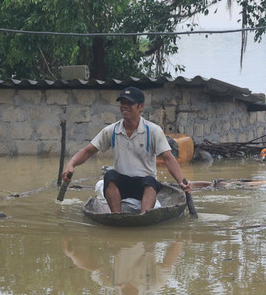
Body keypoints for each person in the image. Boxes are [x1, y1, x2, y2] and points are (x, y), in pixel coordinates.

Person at [61, 86, 192, 214]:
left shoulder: (153, 131)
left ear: (141, 106)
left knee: (151, 181)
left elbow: (168, 158)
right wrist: (71, 165)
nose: (125, 106)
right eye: (123, 103)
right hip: (121, 185)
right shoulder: (112, 130)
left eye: (130, 103)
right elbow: (88, 151)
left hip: (144, 187)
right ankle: (116, 215)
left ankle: (144, 216)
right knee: (110, 175)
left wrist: (181, 181)